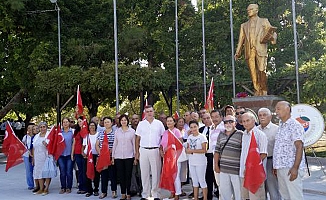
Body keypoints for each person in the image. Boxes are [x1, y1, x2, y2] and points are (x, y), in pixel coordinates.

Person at [234, 4, 277, 96]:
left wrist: (273, 38)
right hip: (249, 51)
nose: (248, 11)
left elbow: (272, 32)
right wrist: (238, 52)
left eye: (250, 9)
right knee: (253, 73)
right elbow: (241, 40)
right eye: (248, 10)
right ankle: (257, 90)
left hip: (261, 49)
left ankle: (264, 89)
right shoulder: (244, 25)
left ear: (256, 10)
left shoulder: (264, 21)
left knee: (262, 70)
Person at [273, 101, 305, 200]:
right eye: (275, 109)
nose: (276, 111)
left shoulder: (295, 125)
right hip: (281, 167)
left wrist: (295, 167)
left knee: (295, 197)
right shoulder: (281, 125)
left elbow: (299, 147)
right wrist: (276, 165)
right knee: (285, 196)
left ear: (287, 109)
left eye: (278, 109)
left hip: (290, 168)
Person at [135, 105, 165, 200]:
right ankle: (145, 195)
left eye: (151, 111)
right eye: (147, 111)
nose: (149, 113)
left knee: (156, 173)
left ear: (154, 112)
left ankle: (156, 194)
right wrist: (137, 152)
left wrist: (161, 149)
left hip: (155, 150)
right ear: (145, 112)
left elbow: (163, 138)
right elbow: (137, 139)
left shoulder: (159, 124)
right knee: (144, 173)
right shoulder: (141, 124)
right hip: (143, 150)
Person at [240, 112, 268, 200]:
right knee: (245, 197)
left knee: (256, 197)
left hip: (254, 173)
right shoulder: (244, 134)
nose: (245, 123)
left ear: (254, 120)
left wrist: (250, 168)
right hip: (243, 173)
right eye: (243, 121)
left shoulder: (260, 135)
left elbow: (263, 154)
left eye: (248, 120)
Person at [214, 115, 243, 200]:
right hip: (223, 170)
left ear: (235, 123)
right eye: (226, 122)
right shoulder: (221, 134)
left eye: (231, 121)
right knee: (224, 194)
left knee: (238, 194)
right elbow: (217, 151)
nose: (228, 124)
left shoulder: (241, 134)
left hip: (236, 170)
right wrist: (216, 165)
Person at [257, 108, 281, 200]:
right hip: (259, 162)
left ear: (270, 116)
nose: (262, 117)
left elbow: (279, 149)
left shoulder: (276, 129)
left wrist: (276, 165)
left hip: (271, 162)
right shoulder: (255, 129)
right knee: (261, 190)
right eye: (260, 115)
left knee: (273, 190)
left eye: (264, 115)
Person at [112, 114, 136, 200]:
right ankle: (123, 193)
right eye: (122, 120)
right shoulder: (117, 131)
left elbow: (134, 144)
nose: (123, 122)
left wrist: (135, 156)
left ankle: (128, 193)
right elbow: (115, 144)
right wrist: (113, 157)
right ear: (120, 121)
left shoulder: (132, 131)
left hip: (129, 156)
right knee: (121, 176)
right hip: (118, 156)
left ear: (127, 121)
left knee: (128, 175)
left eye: (125, 120)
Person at [160, 116, 183, 200]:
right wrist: (161, 151)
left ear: (174, 122)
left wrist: (171, 147)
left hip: (175, 157)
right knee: (169, 175)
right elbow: (162, 144)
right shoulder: (165, 132)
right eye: (167, 121)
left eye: (171, 121)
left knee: (175, 175)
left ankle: (177, 193)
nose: (169, 122)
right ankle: (172, 192)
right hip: (167, 157)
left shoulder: (176, 131)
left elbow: (180, 144)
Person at [95, 116, 117, 199]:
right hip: (102, 158)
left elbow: (116, 144)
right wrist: (102, 154)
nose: (106, 123)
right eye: (105, 122)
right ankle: (104, 192)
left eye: (108, 122)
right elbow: (97, 145)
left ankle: (114, 191)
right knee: (103, 176)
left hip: (111, 157)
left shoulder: (115, 133)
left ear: (111, 123)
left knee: (112, 175)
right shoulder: (101, 133)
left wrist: (111, 153)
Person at [186, 120, 208, 200]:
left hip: (201, 162)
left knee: (202, 180)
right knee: (194, 181)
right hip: (192, 161)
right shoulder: (189, 137)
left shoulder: (202, 137)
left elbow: (204, 150)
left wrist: (192, 151)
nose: (193, 129)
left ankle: (205, 198)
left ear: (198, 127)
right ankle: (196, 197)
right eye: (191, 127)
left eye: (195, 127)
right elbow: (188, 149)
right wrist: (189, 151)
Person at [31, 122, 51, 195]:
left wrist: (47, 145)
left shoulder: (49, 135)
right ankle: (41, 188)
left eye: (44, 127)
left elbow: (52, 146)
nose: (42, 128)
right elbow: (33, 147)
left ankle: (46, 189)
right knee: (38, 172)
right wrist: (33, 158)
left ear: (46, 127)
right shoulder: (36, 136)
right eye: (41, 127)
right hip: (37, 157)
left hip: (46, 157)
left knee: (47, 172)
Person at [199, 113, 215, 200]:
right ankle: (208, 196)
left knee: (215, 177)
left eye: (208, 118)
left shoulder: (216, 128)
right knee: (206, 176)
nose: (206, 120)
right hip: (203, 155)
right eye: (204, 119)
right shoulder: (201, 130)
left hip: (213, 154)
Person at [210, 110, 225, 196]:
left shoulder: (223, 128)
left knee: (224, 184)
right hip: (214, 158)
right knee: (219, 183)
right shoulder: (213, 128)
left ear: (221, 117)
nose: (214, 119)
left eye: (216, 116)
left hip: (222, 158)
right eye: (213, 117)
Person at [83, 121, 100, 197]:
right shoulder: (86, 136)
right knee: (88, 173)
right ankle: (89, 190)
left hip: (96, 156)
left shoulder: (98, 135)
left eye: (93, 125)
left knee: (97, 174)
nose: (92, 127)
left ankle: (96, 189)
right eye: (90, 125)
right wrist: (83, 154)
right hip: (88, 157)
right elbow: (83, 147)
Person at [58, 117, 74, 194]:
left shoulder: (72, 132)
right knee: (62, 172)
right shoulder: (59, 132)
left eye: (66, 122)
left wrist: (72, 154)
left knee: (69, 172)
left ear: (69, 123)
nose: (65, 123)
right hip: (61, 155)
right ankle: (63, 187)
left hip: (69, 155)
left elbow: (74, 143)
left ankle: (69, 187)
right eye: (64, 122)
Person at [72, 117, 87, 194]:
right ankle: (81, 186)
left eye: (80, 121)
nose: (79, 123)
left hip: (84, 153)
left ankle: (86, 187)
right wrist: (72, 154)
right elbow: (74, 143)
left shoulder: (86, 130)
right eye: (78, 122)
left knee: (85, 170)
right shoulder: (76, 131)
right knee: (80, 170)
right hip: (77, 153)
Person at [22, 123, 35, 190]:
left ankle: (40, 184)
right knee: (28, 170)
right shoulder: (25, 137)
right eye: (29, 128)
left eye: (32, 128)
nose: (30, 130)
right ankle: (30, 184)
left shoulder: (36, 136)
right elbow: (22, 146)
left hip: (35, 155)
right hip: (27, 155)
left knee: (36, 169)